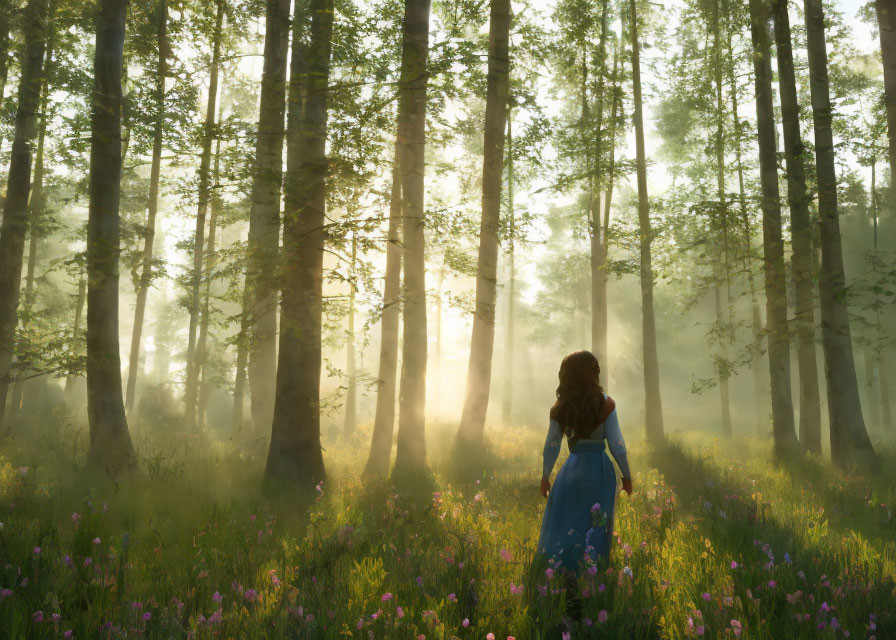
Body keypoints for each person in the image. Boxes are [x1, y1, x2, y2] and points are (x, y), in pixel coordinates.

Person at [537, 350, 632, 578]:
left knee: (568, 519)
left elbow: (552, 445)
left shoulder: (560, 408)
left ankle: (560, 570)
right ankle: (594, 572)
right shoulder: (606, 404)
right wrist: (626, 475)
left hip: (572, 467)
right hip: (600, 469)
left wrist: (545, 475)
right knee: (598, 521)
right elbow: (617, 444)